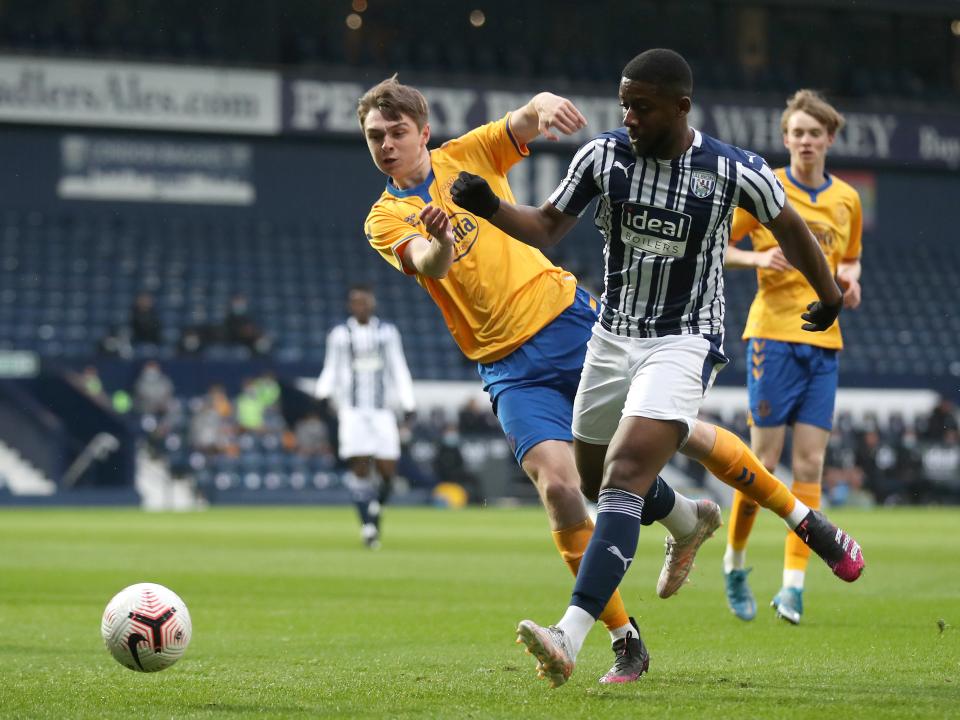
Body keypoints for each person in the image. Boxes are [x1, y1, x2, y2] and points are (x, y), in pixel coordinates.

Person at [448, 48, 865, 687]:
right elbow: (546, 226)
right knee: (594, 479)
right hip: (611, 337)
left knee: (622, 473)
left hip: (685, 340)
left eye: (641, 107)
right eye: (624, 105)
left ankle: (574, 636)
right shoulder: (603, 157)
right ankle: (686, 518)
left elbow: (791, 227)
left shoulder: (732, 170)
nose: (629, 117)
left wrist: (829, 295)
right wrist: (488, 206)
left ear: (681, 107)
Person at [359, 75, 723, 685]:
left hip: (571, 326)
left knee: (634, 455)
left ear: (423, 132)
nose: (387, 144)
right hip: (506, 365)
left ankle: (724, 517)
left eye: (398, 132)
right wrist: (441, 242)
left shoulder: (465, 155)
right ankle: (625, 635)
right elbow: (428, 264)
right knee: (561, 488)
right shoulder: (383, 217)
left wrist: (542, 105)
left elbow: (520, 123)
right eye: (375, 136)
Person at [720, 90, 863, 625]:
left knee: (810, 466)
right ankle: (734, 563)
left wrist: (850, 287)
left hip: (824, 344)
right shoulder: (768, 188)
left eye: (814, 133)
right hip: (772, 337)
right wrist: (756, 255)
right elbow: (718, 246)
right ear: (786, 139)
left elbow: (850, 263)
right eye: (797, 133)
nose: (806, 141)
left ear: (828, 139)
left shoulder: (847, 199)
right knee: (764, 466)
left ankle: (794, 587)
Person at [315, 284, 416, 550]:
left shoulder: (387, 333)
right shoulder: (340, 335)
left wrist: (408, 401)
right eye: (356, 302)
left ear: (372, 304)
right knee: (359, 466)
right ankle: (368, 526)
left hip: (382, 411)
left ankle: (374, 508)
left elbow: (398, 365)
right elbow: (332, 366)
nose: (361, 306)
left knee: (387, 471)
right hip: (353, 411)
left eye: (365, 301)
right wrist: (323, 392)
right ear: (351, 306)